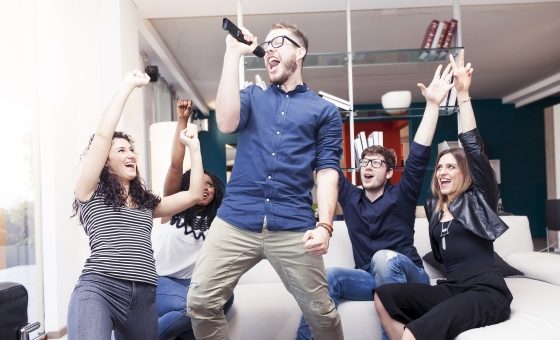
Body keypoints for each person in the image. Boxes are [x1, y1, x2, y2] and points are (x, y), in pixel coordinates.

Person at [186, 21, 344, 340]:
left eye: (279, 42)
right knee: (200, 302)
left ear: (300, 52)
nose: (269, 49)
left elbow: (327, 170)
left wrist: (325, 225)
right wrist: (233, 54)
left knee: (322, 313)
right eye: (266, 45)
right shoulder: (252, 96)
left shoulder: (324, 111)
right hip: (235, 221)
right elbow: (227, 121)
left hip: (293, 225)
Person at [296, 58, 456, 340]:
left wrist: (432, 106)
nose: (367, 167)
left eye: (376, 163)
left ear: (389, 172)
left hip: (410, 276)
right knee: (330, 276)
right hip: (369, 277)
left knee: (384, 258)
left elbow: (418, 155)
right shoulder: (351, 197)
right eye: (364, 162)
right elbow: (325, 166)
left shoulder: (402, 194)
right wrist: (310, 116)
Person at [374, 50, 513, 340]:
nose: (442, 172)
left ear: (465, 173)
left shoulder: (479, 199)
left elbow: (473, 148)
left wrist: (463, 95)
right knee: (384, 295)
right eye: (439, 167)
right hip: (452, 289)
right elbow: (440, 256)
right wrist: (432, 106)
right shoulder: (434, 207)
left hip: (486, 293)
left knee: (416, 331)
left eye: (451, 166)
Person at [68, 70, 204, 340]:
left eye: (132, 150)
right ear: (105, 162)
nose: (130, 154)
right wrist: (128, 86)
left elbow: (193, 195)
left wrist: (195, 148)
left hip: (144, 296)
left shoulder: (145, 203)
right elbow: (103, 134)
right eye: (121, 151)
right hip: (100, 288)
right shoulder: (89, 190)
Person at [152, 99, 233, 340]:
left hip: (195, 285)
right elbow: (176, 166)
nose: (205, 188)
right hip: (161, 281)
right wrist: (182, 121)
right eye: (201, 184)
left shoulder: (218, 224)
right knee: (189, 310)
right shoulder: (172, 208)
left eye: (210, 185)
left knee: (221, 303)